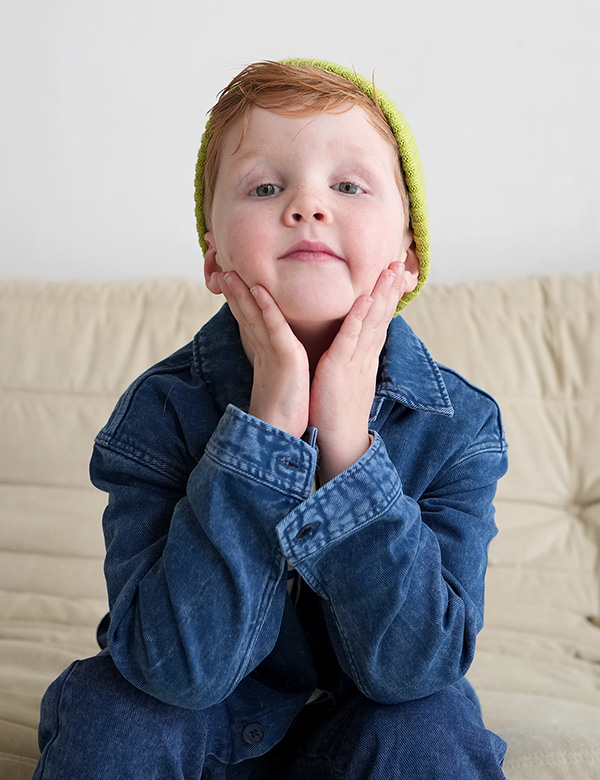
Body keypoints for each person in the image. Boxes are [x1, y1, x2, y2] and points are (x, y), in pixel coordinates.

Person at [32, 58, 509, 779]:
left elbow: (415, 668)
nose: (307, 205)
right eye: (265, 186)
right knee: (113, 713)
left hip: (363, 726)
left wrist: (349, 450)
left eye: (348, 185)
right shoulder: (159, 413)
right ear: (214, 258)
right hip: (202, 717)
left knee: (430, 725)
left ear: (410, 256)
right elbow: (176, 669)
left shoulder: (459, 426)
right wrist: (267, 429)